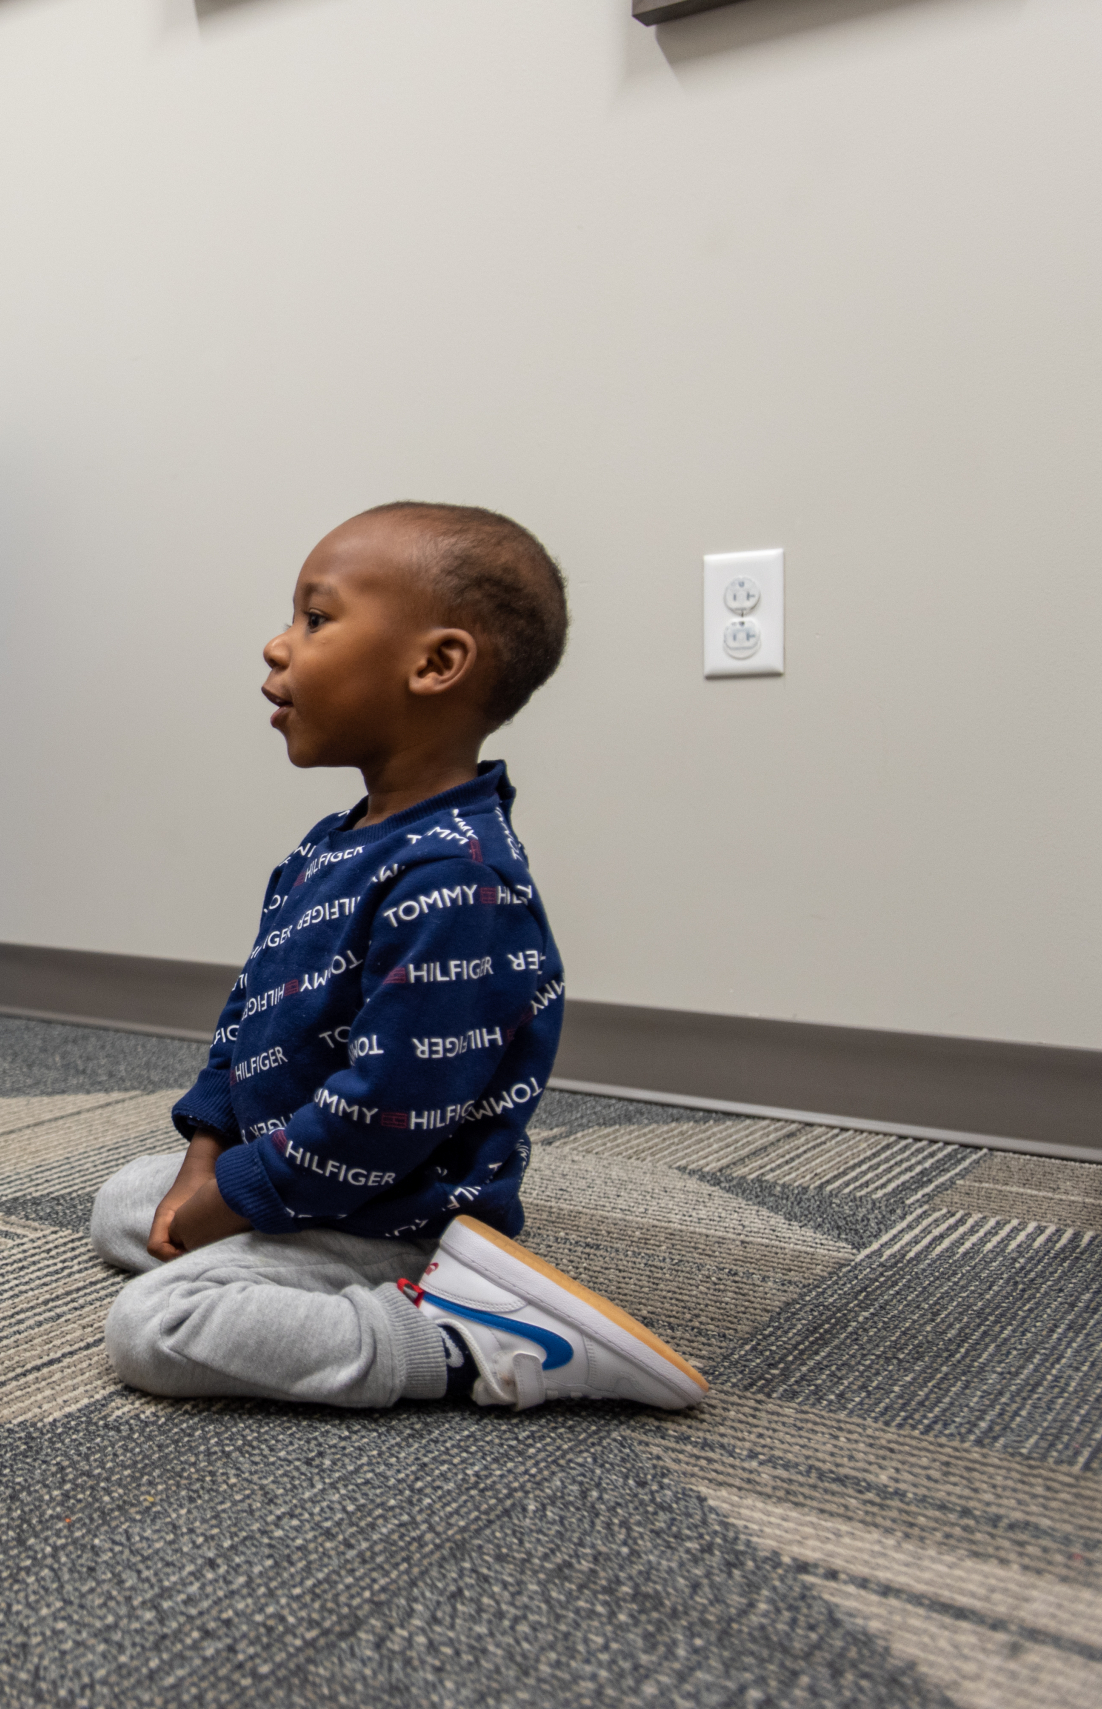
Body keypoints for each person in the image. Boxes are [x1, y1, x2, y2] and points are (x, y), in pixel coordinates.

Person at [88, 502, 707, 1414]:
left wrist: (236, 1198)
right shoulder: (330, 845)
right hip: (301, 1178)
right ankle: (285, 1265)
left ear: (436, 664)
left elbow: (386, 1114)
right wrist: (207, 1153)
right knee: (123, 1201)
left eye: (316, 617)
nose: (277, 645)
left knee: (152, 1328)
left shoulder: (461, 882)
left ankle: (467, 1334)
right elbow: (245, 1018)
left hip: (394, 1215)